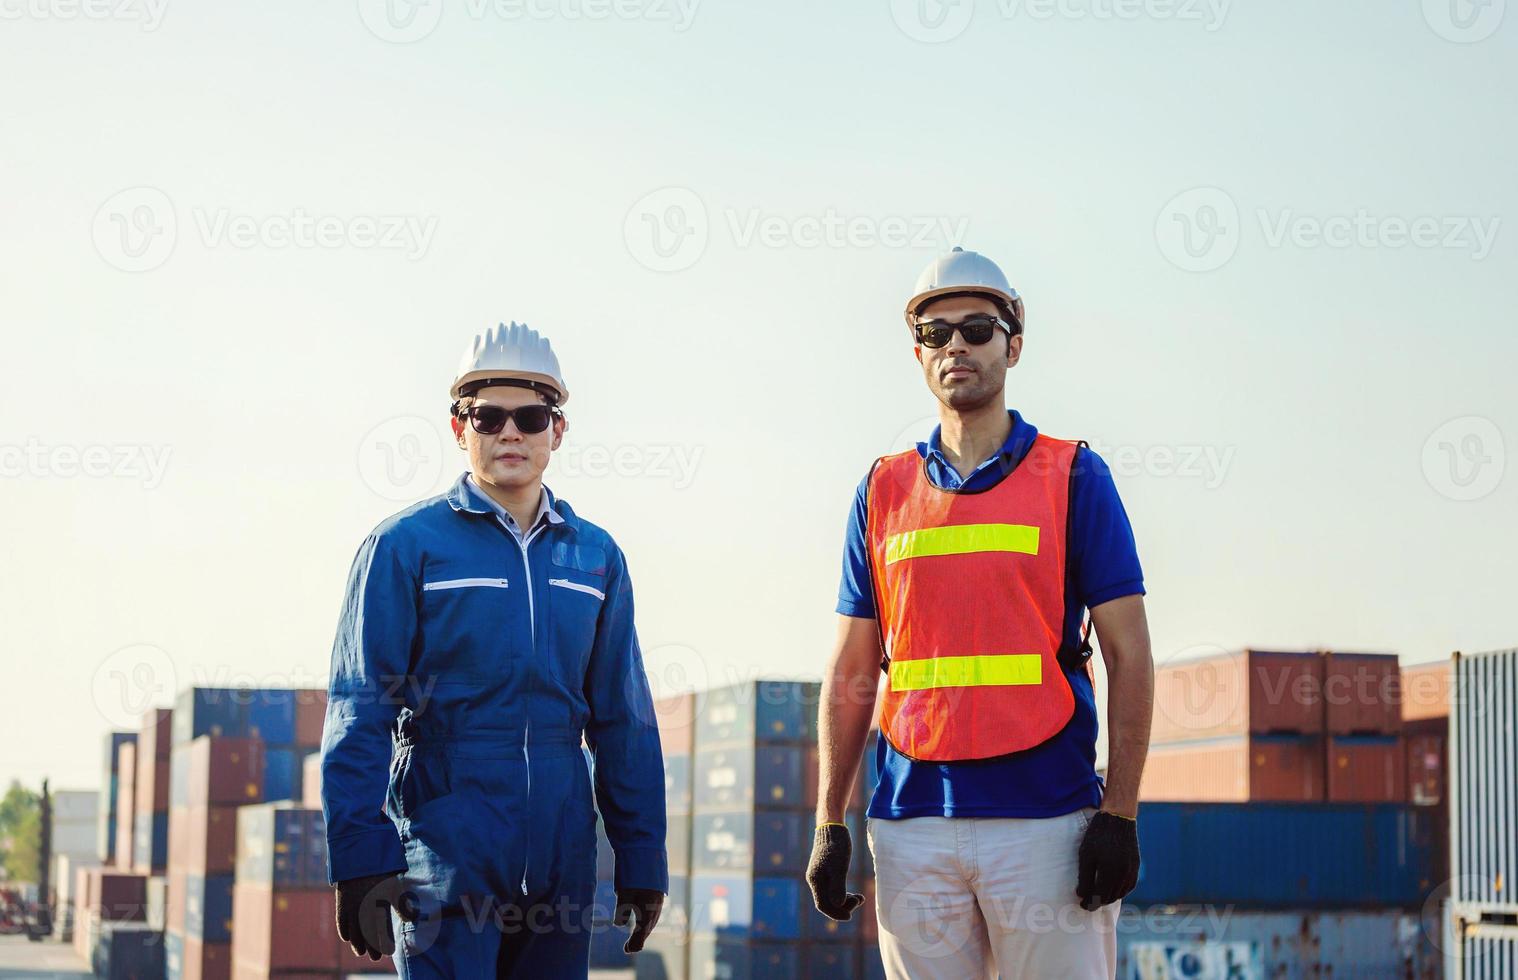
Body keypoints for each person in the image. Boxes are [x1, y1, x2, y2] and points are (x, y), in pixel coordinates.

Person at [806, 249, 1153, 979]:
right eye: (935, 334)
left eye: (977, 329)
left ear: (1013, 346)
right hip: (911, 825)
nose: (955, 346)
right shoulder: (882, 490)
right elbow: (851, 670)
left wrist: (1119, 813)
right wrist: (829, 820)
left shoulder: (1074, 477)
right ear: (917, 354)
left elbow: (1129, 654)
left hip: (1047, 821)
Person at [320, 322, 667, 978]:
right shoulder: (406, 548)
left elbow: (625, 721)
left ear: (556, 431)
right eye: (489, 416)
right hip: (448, 853)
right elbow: (359, 709)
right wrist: (361, 858)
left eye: (531, 416)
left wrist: (641, 860)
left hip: (563, 858)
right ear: (460, 429)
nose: (511, 433)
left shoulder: (594, 558)